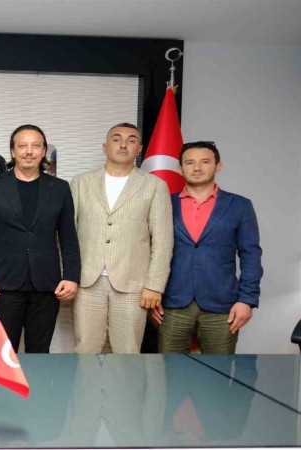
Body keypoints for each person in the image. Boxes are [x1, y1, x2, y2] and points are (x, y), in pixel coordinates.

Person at [0, 124, 80, 353]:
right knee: (1, 354)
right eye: (22, 146)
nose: (29, 151)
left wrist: (71, 276)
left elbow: (69, 237)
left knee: (40, 353)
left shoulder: (60, 188)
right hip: (3, 285)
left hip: (47, 285)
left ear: (44, 151)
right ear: (13, 151)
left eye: (35, 146)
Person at [70, 122, 173, 353]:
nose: (123, 144)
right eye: (116, 139)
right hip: (87, 282)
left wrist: (154, 286)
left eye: (131, 140)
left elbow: (163, 240)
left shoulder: (155, 186)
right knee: (85, 351)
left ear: (139, 149)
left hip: (133, 285)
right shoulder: (81, 182)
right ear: (105, 146)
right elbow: (68, 234)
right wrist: (68, 276)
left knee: (128, 353)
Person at [153, 141, 262, 354]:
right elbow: (148, 250)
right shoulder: (164, 203)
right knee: (171, 370)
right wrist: (152, 293)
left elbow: (251, 255)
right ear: (180, 168)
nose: (197, 167)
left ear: (218, 166)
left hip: (222, 305)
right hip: (171, 303)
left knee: (218, 371)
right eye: (189, 162)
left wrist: (247, 300)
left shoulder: (239, 205)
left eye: (205, 162)